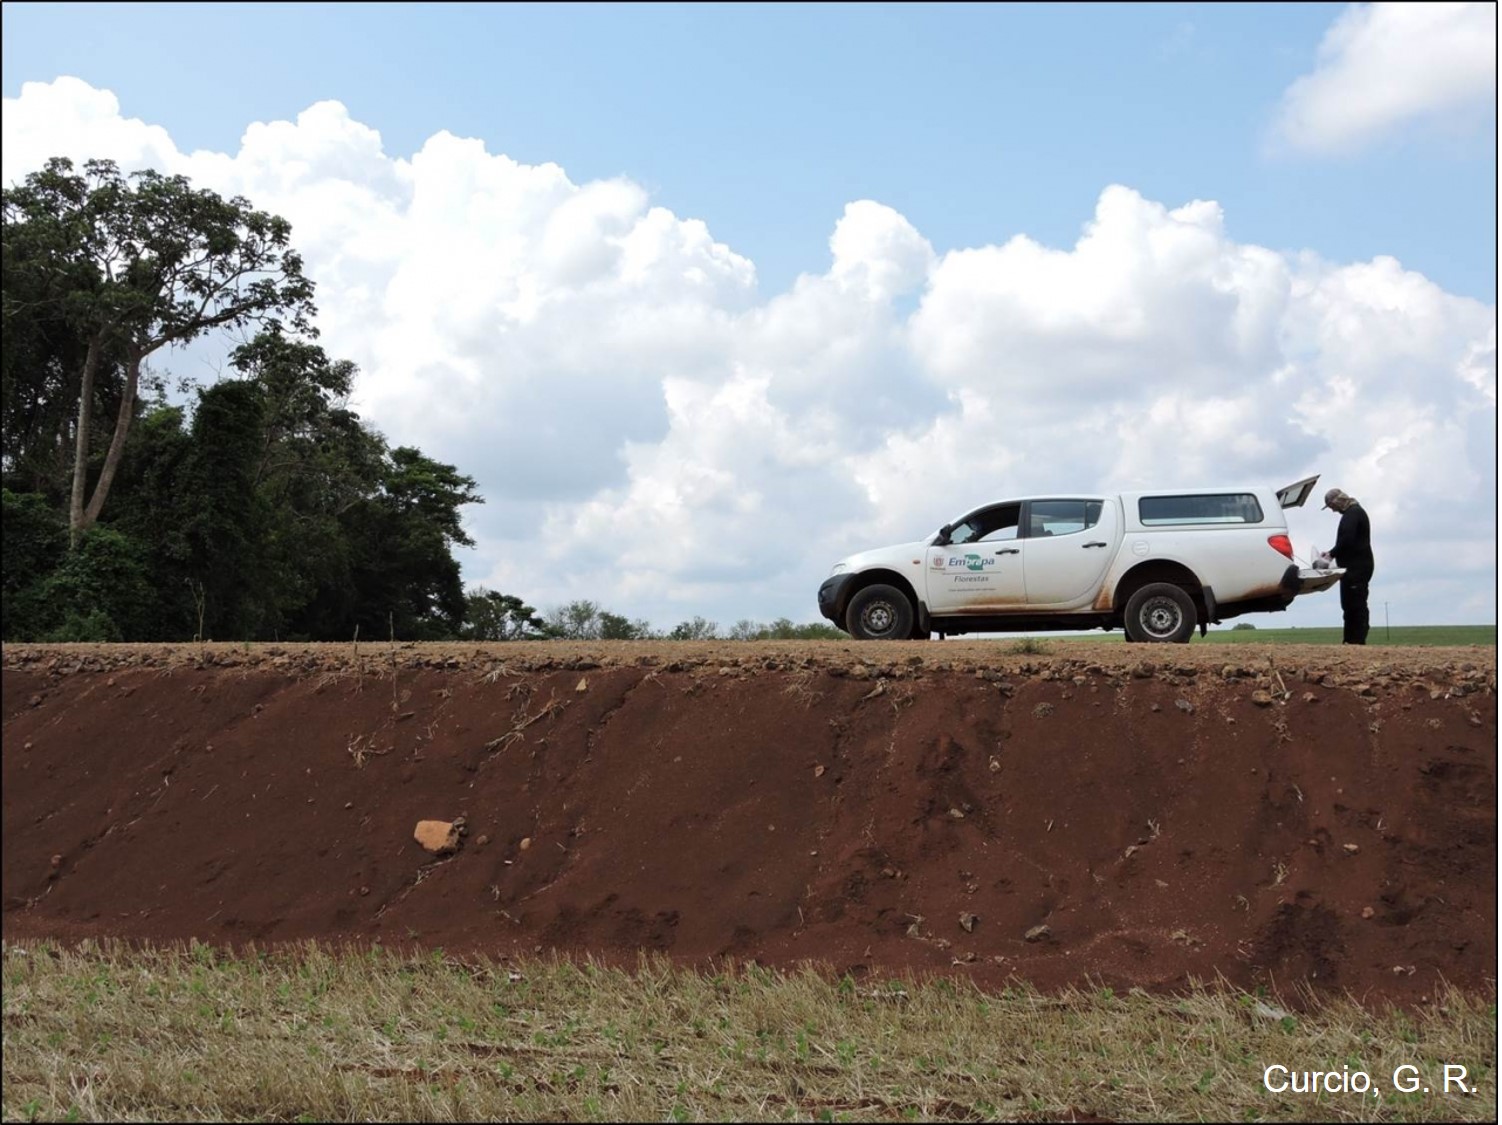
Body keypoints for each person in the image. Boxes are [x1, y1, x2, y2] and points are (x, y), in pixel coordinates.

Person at [1322, 487, 1374, 645]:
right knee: (1350, 604)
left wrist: (1331, 554)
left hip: (1356, 568)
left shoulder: (1352, 514)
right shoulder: (1354, 513)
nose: (1333, 510)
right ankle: (1351, 639)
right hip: (1356, 567)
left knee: (1355, 605)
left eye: (1332, 506)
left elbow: (1347, 540)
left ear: (1337, 501)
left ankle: (1356, 640)